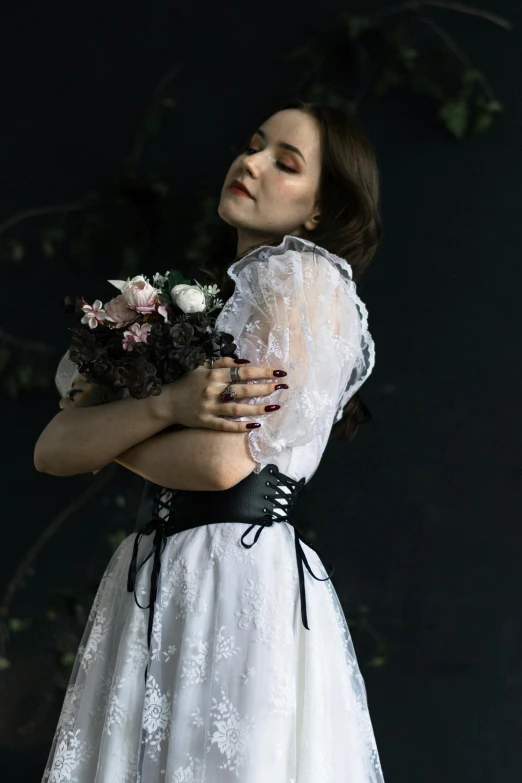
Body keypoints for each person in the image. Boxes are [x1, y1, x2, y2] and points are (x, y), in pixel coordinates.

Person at [35, 98, 385, 782]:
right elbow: (51, 448)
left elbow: (225, 461)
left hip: (231, 575)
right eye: (254, 144)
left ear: (318, 211)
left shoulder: (298, 278)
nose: (250, 163)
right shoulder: (193, 305)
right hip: (168, 571)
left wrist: (114, 433)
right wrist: (165, 403)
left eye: (284, 163)